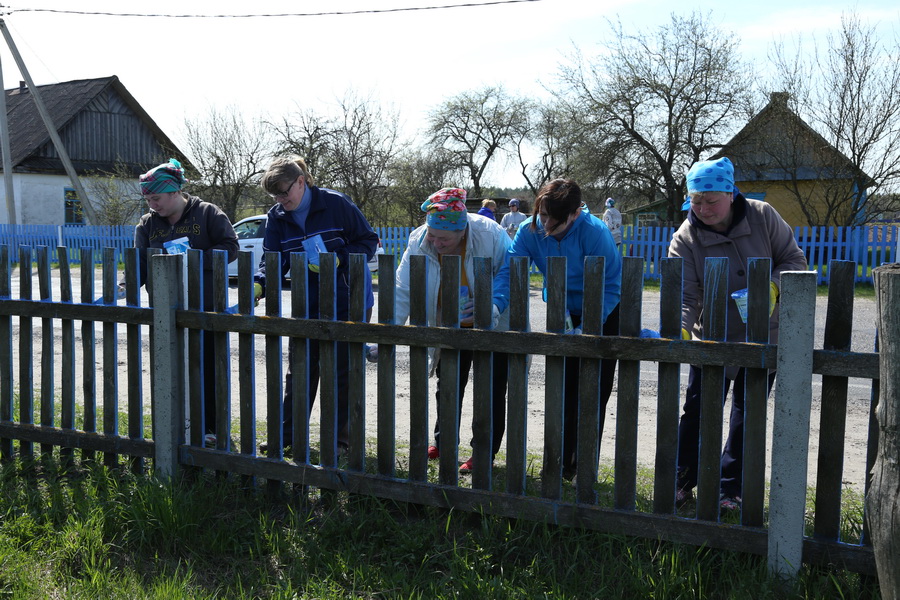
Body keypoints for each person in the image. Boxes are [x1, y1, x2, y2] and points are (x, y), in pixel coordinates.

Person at [670, 156, 807, 511]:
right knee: (698, 411)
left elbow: (794, 260)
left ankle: (730, 491)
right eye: (695, 200)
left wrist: (773, 288)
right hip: (711, 339)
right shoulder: (685, 236)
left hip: (763, 336)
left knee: (746, 415)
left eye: (710, 200)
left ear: (730, 194)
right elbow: (685, 294)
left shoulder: (763, 216)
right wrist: (680, 328)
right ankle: (681, 481)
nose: (702, 208)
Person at [492, 178, 621, 480]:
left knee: (593, 390)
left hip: (604, 309)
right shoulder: (529, 230)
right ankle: (562, 464)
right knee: (563, 387)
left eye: (554, 220)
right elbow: (511, 271)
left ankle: (582, 465)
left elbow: (612, 285)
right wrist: (497, 303)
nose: (546, 225)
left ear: (575, 213)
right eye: (543, 214)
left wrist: (591, 323)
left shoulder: (595, 233)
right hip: (561, 311)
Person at [254, 156, 379, 456]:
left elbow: (368, 241)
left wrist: (339, 258)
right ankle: (287, 436)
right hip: (306, 306)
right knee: (299, 372)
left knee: (341, 373)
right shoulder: (277, 217)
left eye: (285, 192)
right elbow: (272, 258)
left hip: (348, 300)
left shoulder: (336, 204)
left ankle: (338, 441)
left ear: (301, 181)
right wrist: (260, 283)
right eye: (275, 196)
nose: (281, 200)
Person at [394, 187, 512, 474]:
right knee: (447, 385)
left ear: (462, 231)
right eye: (432, 235)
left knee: (490, 390)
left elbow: (510, 272)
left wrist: (492, 307)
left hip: (492, 326)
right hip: (448, 324)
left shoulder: (490, 233)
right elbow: (403, 287)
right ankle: (443, 442)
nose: (434, 242)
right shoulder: (419, 239)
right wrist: (390, 331)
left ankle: (483, 452)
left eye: (442, 238)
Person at [130, 158, 239, 447]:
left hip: (205, 308)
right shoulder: (147, 224)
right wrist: (124, 284)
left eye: (156, 197)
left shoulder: (207, 214)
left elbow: (231, 248)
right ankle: (174, 424)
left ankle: (212, 429)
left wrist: (193, 257)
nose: (152, 204)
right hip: (166, 311)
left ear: (175, 192)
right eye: (148, 199)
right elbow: (140, 264)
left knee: (207, 371)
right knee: (170, 370)